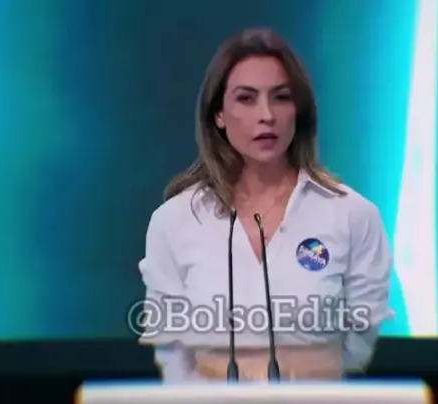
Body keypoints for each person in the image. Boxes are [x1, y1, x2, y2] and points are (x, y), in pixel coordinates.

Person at [137, 28, 392, 382]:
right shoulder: (176, 221)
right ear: (218, 114)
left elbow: (357, 347)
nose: (266, 115)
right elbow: (172, 352)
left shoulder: (352, 216)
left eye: (281, 97)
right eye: (246, 99)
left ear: (298, 110)